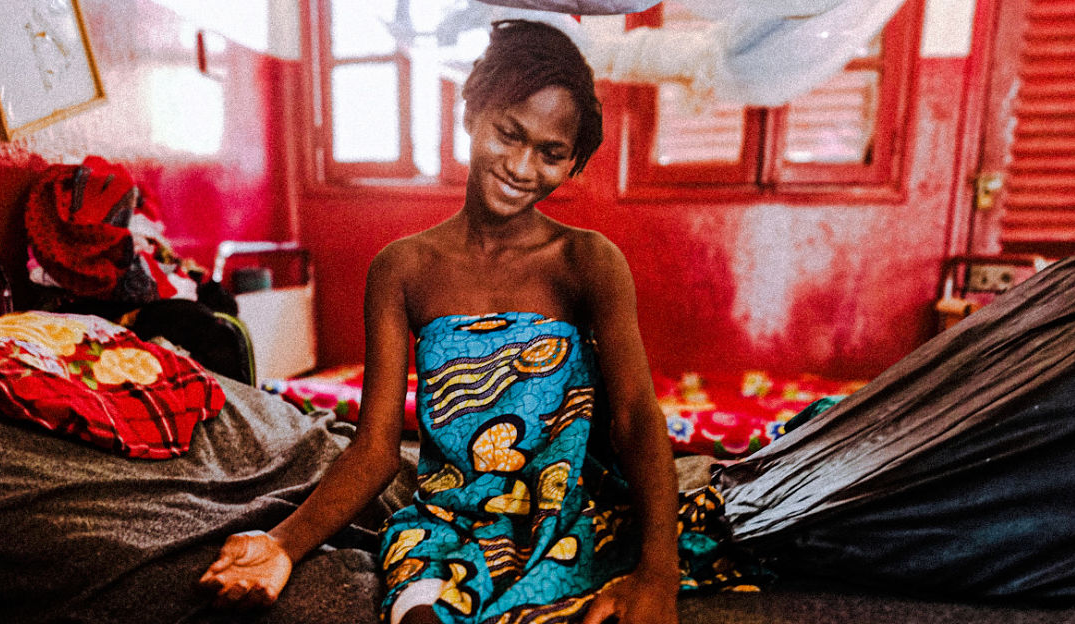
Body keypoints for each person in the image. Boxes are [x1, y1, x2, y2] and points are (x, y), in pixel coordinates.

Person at [199, 19, 754, 624]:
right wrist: (284, 543)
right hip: (447, 521)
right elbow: (376, 448)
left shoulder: (587, 262)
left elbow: (636, 418)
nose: (521, 166)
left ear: (572, 164)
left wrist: (657, 572)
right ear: (471, 116)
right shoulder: (402, 268)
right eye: (508, 133)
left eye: (551, 153)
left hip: (566, 513)